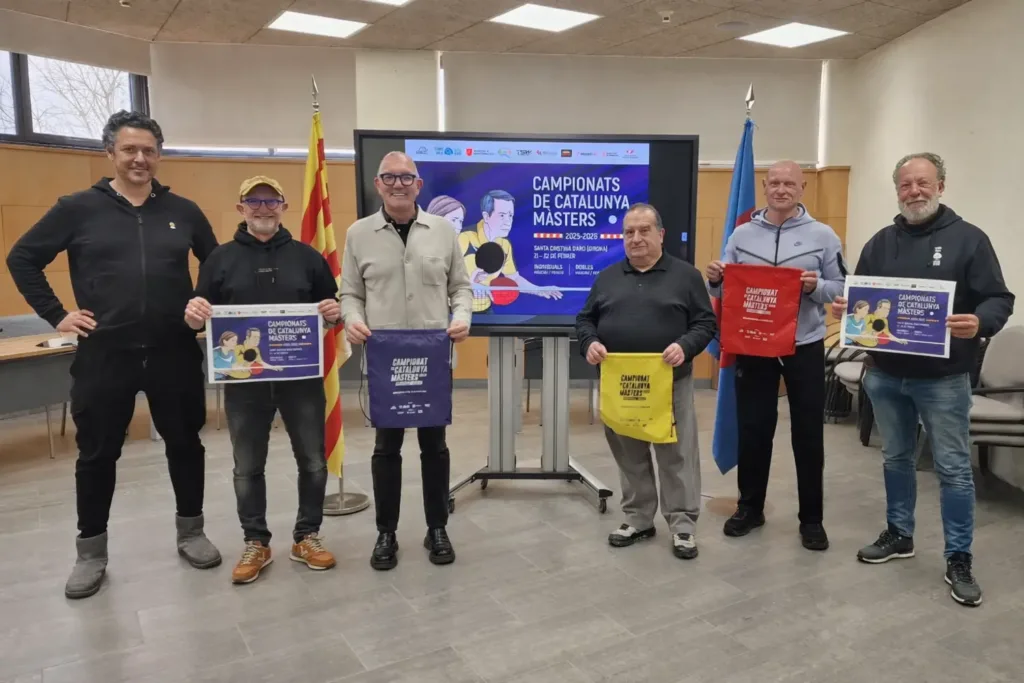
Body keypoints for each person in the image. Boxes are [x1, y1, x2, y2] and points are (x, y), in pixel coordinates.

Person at [5, 110, 221, 599]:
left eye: (148, 150)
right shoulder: (77, 208)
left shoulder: (184, 211)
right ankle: (91, 551)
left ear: (159, 155)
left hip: (174, 352)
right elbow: (22, 258)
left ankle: (192, 531)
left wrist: (204, 305)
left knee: (186, 445)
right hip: (105, 355)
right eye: (129, 150)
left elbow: (217, 263)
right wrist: (57, 313)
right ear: (110, 154)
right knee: (98, 453)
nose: (139, 158)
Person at [832, 152, 1014, 607]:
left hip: (944, 379)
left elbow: (999, 297)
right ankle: (900, 534)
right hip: (887, 376)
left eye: (923, 183)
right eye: (905, 185)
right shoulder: (880, 242)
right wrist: (848, 309)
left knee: (953, 469)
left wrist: (980, 321)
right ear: (897, 191)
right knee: (895, 459)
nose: (914, 191)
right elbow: (863, 298)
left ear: (941, 185)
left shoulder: (969, 240)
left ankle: (958, 557)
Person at [183, 176, 341, 585]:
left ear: (284, 206)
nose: (263, 208)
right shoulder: (219, 259)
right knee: (247, 466)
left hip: (301, 379)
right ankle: (256, 541)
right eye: (254, 201)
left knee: (313, 461)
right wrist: (194, 315)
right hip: (244, 383)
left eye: (271, 201)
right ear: (241, 209)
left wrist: (332, 310)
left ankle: (307, 536)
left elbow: (332, 308)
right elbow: (199, 315)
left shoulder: (308, 257)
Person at [340, 151, 473, 570]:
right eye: (389, 177)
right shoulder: (358, 234)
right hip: (384, 363)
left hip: (433, 360)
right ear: (377, 185)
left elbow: (461, 287)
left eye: (406, 178)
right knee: (387, 449)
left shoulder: (443, 232)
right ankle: (386, 533)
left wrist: (463, 315)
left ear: (418, 185)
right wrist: (353, 320)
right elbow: (350, 293)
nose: (398, 184)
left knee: (434, 448)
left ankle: (437, 527)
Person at [706, 160, 845, 551]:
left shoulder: (824, 235)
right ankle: (750, 507)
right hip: (755, 344)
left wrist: (817, 287)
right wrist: (715, 280)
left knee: (807, 433)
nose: (781, 189)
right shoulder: (742, 234)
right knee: (754, 428)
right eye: (775, 183)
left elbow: (842, 289)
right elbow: (725, 293)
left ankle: (812, 519)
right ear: (765, 187)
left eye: (790, 183)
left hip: (805, 344)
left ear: (802, 187)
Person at [576, 203, 716, 559]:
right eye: (629, 232)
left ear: (660, 235)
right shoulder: (607, 277)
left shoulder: (686, 276)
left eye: (643, 231)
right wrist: (590, 342)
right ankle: (638, 518)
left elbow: (705, 323)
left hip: (670, 383)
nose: (635, 239)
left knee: (677, 454)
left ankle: (683, 524)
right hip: (620, 384)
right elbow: (584, 320)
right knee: (629, 454)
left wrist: (685, 347)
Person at [458, 189, 562, 311]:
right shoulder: (464, 238)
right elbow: (443, 275)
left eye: (510, 215)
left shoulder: (504, 245)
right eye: (502, 215)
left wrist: (538, 290)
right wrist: (470, 285)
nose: (508, 221)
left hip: (484, 310)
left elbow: (513, 279)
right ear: (486, 216)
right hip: (456, 311)